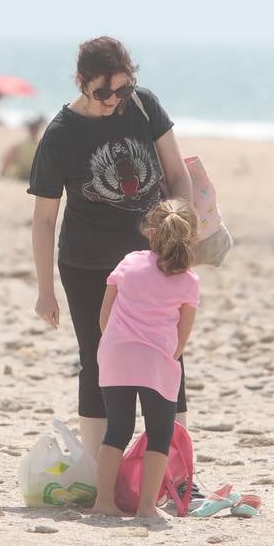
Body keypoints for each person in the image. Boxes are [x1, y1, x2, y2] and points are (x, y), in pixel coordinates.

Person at [27, 36, 193, 456]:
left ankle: (175, 470)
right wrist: (45, 290)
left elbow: (177, 175)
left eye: (121, 89)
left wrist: (178, 234)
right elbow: (45, 219)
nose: (112, 100)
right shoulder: (60, 135)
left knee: (166, 355)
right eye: (102, 92)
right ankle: (101, 470)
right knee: (98, 360)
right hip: (87, 264)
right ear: (81, 82)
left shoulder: (142, 106)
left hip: (152, 261)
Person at [89, 198, 200, 518]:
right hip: (157, 361)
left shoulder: (129, 262)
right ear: (189, 237)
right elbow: (183, 333)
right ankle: (147, 507)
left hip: (116, 355)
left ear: (151, 233)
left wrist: (113, 345)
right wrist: (171, 355)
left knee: (118, 430)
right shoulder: (189, 280)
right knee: (160, 432)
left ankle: (103, 503)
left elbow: (104, 316)